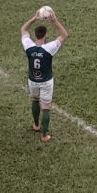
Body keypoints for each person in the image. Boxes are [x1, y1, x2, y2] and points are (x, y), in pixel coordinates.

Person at [21, 9, 69, 142]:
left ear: (35, 35)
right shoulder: (49, 48)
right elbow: (64, 35)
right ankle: (44, 135)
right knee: (46, 107)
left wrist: (34, 18)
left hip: (32, 80)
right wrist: (55, 21)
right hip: (46, 81)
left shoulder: (28, 46)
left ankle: (36, 125)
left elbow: (23, 30)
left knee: (35, 100)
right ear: (45, 36)